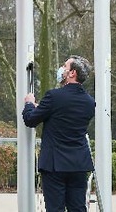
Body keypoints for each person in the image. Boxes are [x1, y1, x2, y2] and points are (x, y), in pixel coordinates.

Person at [22, 55, 96, 212]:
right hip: (78, 164)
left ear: (72, 73)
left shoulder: (53, 96)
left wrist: (29, 104)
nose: (61, 69)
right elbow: (65, 115)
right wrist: (42, 107)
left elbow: (30, 120)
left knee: (55, 208)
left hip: (55, 165)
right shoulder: (89, 102)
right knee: (78, 208)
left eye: (65, 66)